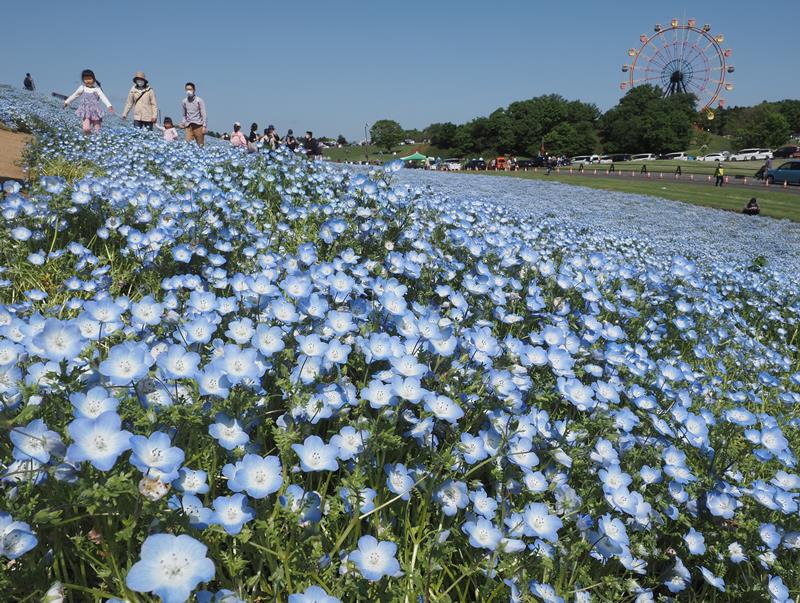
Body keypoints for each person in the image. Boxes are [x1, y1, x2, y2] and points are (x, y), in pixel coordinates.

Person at [63, 69, 113, 134]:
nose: (88, 81)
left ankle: (96, 140)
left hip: (95, 111)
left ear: (94, 79)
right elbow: (75, 95)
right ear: (83, 80)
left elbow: (103, 97)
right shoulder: (82, 88)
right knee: (86, 129)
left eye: (89, 79)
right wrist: (67, 102)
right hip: (85, 111)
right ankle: (87, 139)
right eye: (85, 79)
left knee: (97, 130)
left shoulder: (97, 89)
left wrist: (109, 105)